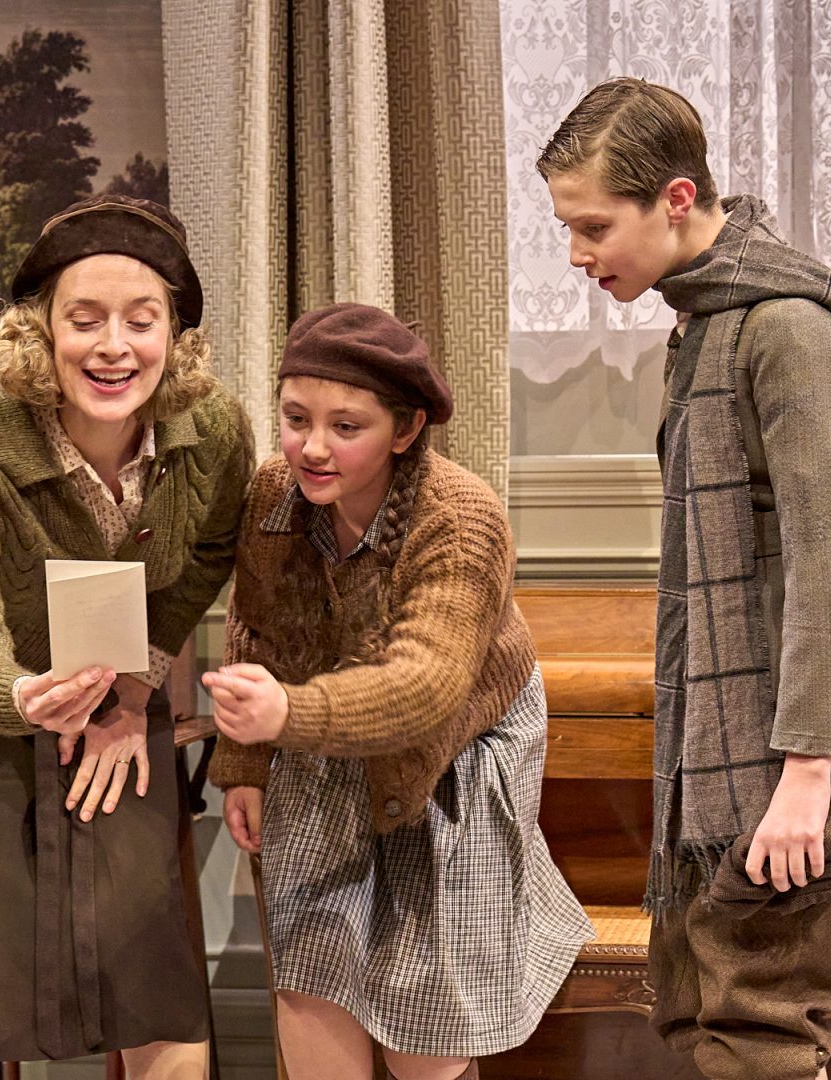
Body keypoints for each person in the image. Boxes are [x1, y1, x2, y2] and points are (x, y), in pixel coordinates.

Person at [538, 77, 831, 1080]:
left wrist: (806, 774)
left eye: (595, 225)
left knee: (760, 1025)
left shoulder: (785, 329)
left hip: (795, 744)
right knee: (702, 1005)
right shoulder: (705, 322)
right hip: (739, 737)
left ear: (675, 199)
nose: (578, 253)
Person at [0, 194, 252, 1078]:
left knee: (148, 969)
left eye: (141, 321)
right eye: (85, 320)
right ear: (40, 334)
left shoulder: (217, 431)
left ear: (175, 335)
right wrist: (25, 698)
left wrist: (136, 687)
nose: (114, 346)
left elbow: (211, 554)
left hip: (113, 679)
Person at [203, 303, 591, 1080]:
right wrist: (244, 763)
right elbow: (258, 627)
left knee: (425, 1028)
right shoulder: (275, 497)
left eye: (347, 427)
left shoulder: (460, 517)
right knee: (313, 984)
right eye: (295, 418)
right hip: (321, 749)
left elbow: (428, 685)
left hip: (452, 763)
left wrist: (290, 712)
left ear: (404, 431)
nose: (313, 446)